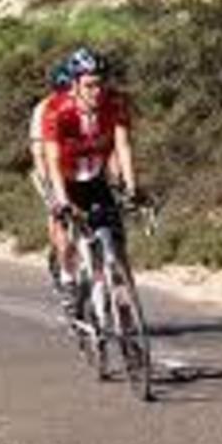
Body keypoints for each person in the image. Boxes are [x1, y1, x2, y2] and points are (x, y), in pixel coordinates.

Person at [41, 46, 143, 308]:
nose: (96, 92)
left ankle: (125, 308)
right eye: (89, 86)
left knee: (115, 238)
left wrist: (132, 187)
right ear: (74, 85)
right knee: (64, 230)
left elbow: (123, 146)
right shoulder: (57, 109)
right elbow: (51, 160)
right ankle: (67, 278)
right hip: (65, 178)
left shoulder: (115, 102)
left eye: (100, 84)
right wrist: (62, 200)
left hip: (95, 176)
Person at [29, 61, 73, 291]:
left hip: (76, 166)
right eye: (62, 90)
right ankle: (58, 254)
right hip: (49, 166)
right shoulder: (44, 109)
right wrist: (50, 187)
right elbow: (39, 153)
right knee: (58, 214)